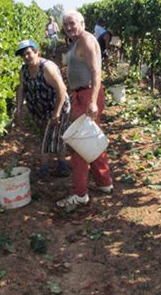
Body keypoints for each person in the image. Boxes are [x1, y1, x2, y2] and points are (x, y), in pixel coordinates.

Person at [57, 11, 113, 209]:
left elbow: (96, 72)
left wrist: (92, 101)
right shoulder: (76, 41)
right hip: (81, 95)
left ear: (82, 22)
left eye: (72, 23)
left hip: (88, 95)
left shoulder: (87, 41)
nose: (69, 27)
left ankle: (79, 194)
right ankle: (104, 182)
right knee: (90, 140)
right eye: (66, 24)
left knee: (79, 145)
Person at [15, 39, 70, 178]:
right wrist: (19, 108)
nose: (26, 57)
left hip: (57, 106)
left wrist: (57, 113)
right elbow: (21, 89)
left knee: (53, 137)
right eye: (23, 55)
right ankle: (60, 165)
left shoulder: (46, 68)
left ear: (36, 52)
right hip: (39, 110)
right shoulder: (24, 70)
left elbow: (62, 90)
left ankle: (49, 169)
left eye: (28, 53)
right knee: (45, 135)